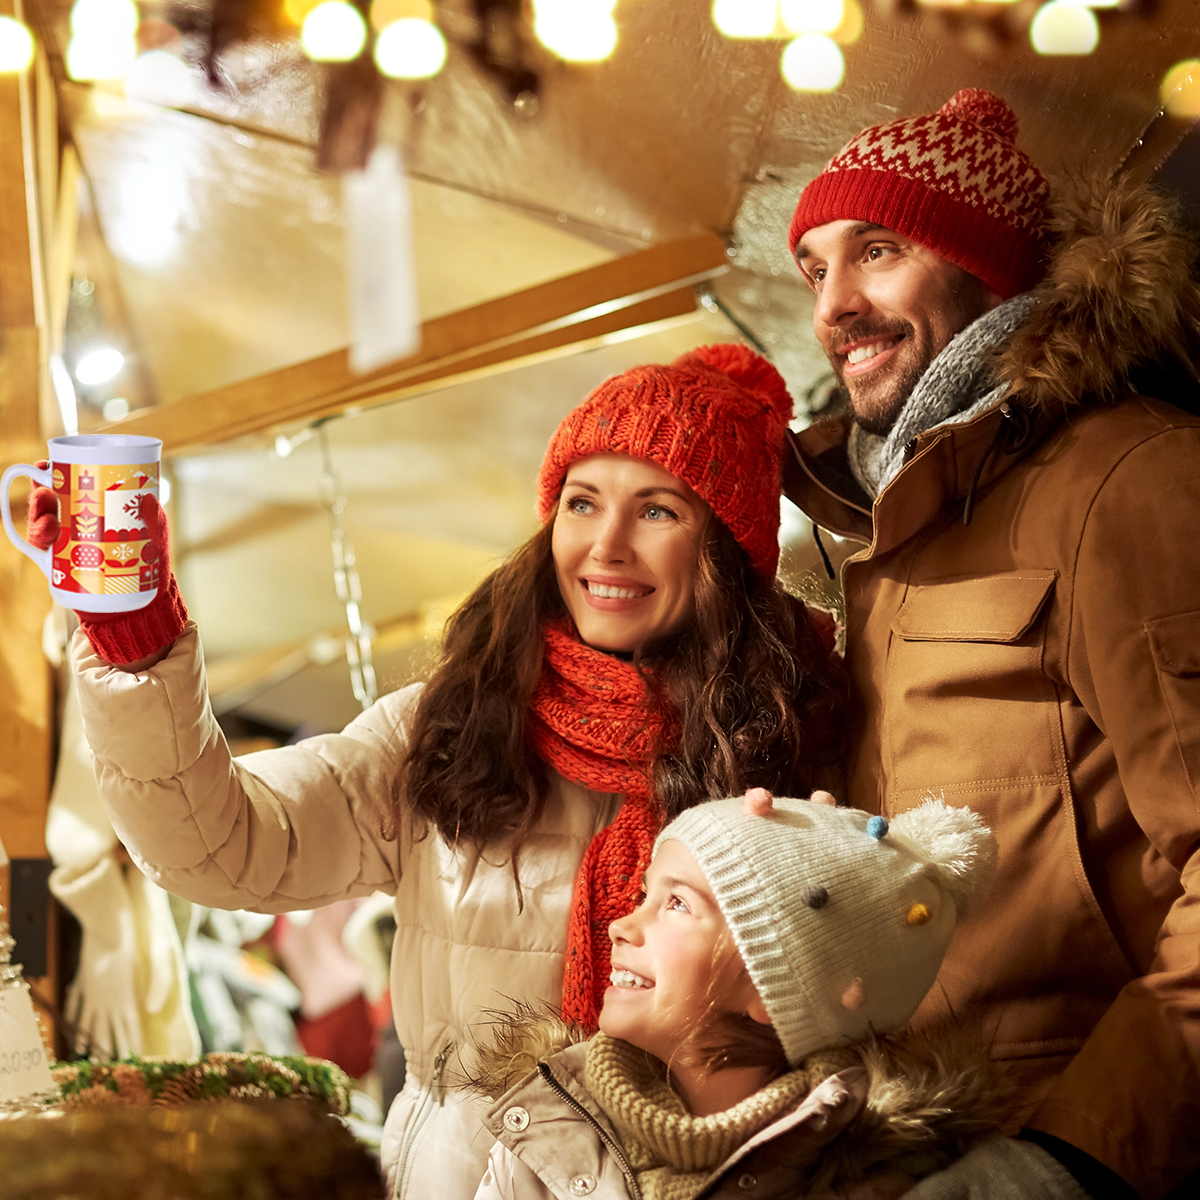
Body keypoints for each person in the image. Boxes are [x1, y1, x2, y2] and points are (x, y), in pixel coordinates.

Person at [30, 343, 844, 1198]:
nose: (605, 546)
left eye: (657, 511)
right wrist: (136, 635)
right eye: (582, 502)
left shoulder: (798, 734)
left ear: (725, 546)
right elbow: (221, 845)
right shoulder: (452, 725)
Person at [781, 87, 1200, 1199]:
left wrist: (1067, 1158)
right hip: (916, 1148)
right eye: (814, 270)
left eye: (877, 250)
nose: (835, 306)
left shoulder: (1128, 479)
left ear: (984, 267)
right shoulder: (880, 540)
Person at [469, 789, 1017, 1200]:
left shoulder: (877, 1180)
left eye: (677, 904)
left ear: (770, 983)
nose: (621, 926)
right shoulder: (543, 1129)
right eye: (644, 895)